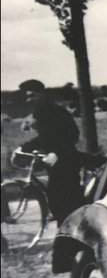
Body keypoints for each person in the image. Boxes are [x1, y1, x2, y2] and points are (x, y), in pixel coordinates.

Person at [18, 79, 84, 225]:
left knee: (65, 201)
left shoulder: (57, 111)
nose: (29, 99)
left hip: (67, 160)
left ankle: (71, 237)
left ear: (42, 94)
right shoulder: (40, 113)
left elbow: (73, 134)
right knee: (57, 200)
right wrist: (23, 148)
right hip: (53, 163)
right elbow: (44, 138)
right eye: (27, 97)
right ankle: (66, 232)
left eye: (32, 95)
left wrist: (58, 153)